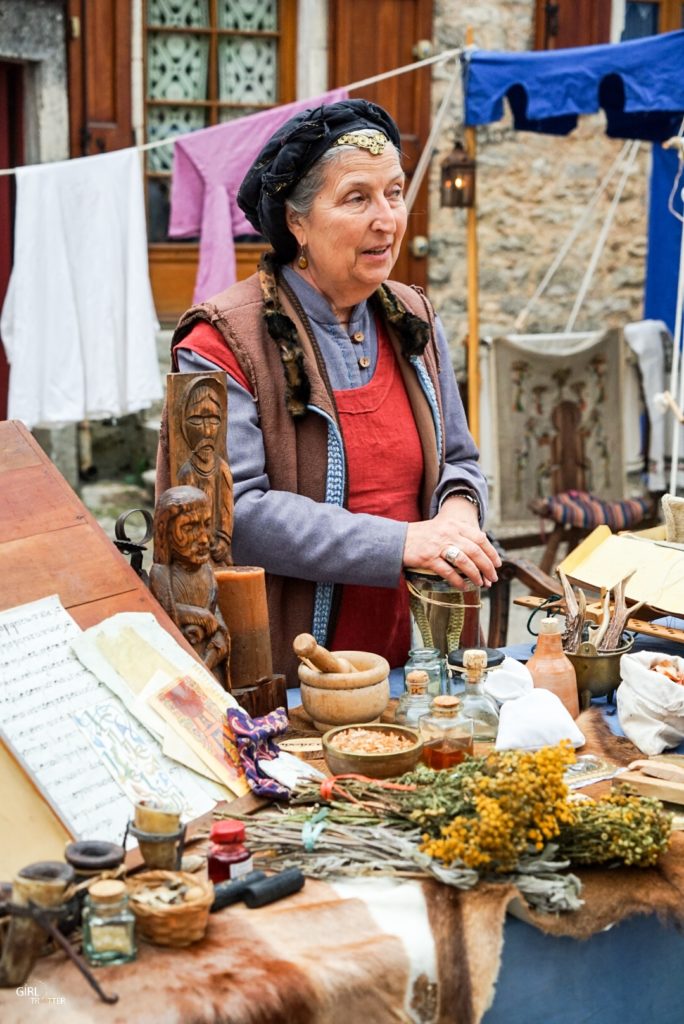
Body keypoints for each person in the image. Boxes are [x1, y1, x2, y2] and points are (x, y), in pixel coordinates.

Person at [166, 98, 500, 686]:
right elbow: (233, 516)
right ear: (297, 221)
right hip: (291, 677)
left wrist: (457, 515)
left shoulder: (412, 317)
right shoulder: (220, 340)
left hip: (425, 665)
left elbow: (461, 461)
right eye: (356, 198)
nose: (387, 219)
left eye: (394, 193)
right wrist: (404, 542)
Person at [150, 485, 230, 683]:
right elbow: (166, 618)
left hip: (207, 666)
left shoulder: (207, 570)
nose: (204, 539)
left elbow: (216, 620)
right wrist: (199, 616)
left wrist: (214, 650)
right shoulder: (162, 574)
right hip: (179, 667)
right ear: (165, 531)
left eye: (207, 524)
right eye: (189, 527)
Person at [177, 376, 234, 566]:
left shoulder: (222, 469)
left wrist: (224, 539)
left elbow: (227, 509)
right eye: (196, 420)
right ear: (183, 423)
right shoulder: (187, 472)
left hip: (218, 551)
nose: (207, 431)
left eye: (214, 420)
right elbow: (186, 515)